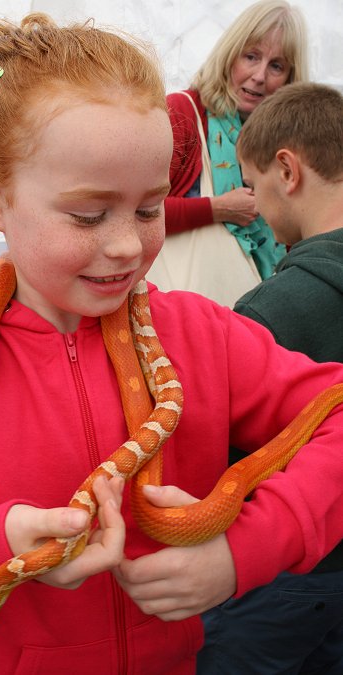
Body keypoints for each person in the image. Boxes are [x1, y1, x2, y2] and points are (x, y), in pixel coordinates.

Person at [0, 13, 343, 675]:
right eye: (87, 214)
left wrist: (241, 551)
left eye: (149, 207)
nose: (129, 245)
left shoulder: (204, 334)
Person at [197, 82, 343, 675]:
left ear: (288, 170)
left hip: (283, 581)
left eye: (253, 187)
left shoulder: (267, 313)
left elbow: (223, 461)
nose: (253, 203)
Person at [147, 0, 309, 304]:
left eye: (276, 66)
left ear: (290, 78)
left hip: (249, 323)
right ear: (230, 55)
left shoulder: (285, 147)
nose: (259, 76)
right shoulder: (184, 112)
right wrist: (216, 208)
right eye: (251, 56)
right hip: (177, 319)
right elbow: (134, 213)